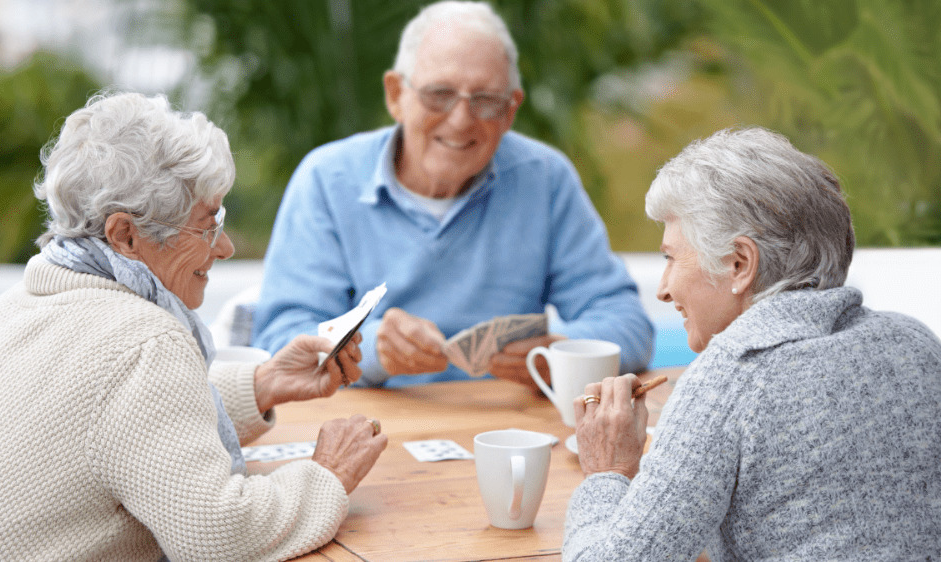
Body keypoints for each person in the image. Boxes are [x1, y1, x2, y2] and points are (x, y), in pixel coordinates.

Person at [0, 92, 387, 561]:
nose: (226, 247)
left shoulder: (12, 308)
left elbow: (121, 424)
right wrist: (326, 474)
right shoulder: (144, 343)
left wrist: (263, 384)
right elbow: (220, 539)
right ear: (124, 235)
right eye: (207, 225)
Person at [563, 127, 941, 560]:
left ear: (740, 264)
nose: (663, 289)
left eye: (671, 257)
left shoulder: (733, 379)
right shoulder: (917, 343)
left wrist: (606, 471)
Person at [251, 0, 654, 388]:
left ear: (510, 110)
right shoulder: (327, 179)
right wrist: (371, 349)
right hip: (365, 428)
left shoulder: (545, 179)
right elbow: (277, 344)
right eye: (439, 94)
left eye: (486, 100)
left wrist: (563, 353)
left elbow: (630, 325)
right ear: (396, 95)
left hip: (508, 432)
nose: (461, 121)